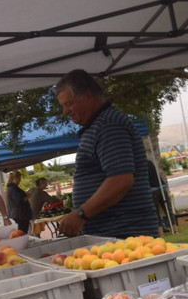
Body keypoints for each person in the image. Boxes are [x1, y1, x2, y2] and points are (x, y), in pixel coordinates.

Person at [55, 69, 158, 239]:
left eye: (69, 103)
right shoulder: (98, 125)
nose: (65, 111)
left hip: (124, 233)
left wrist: (81, 214)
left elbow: (121, 179)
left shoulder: (108, 125)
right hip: (113, 233)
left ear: (88, 96)